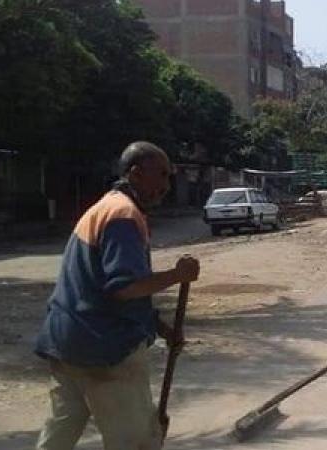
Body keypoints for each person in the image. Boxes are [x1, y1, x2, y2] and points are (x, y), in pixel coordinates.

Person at [34, 142, 200, 450]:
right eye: (161, 176)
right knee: (135, 441)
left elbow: (100, 287)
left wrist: (161, 328)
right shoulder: (124, 215)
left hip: (67, 345)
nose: (166, 186)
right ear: (136, 174)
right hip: (105, 351)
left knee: (57, 438)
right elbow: (123, 287)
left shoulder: (103, 208)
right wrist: (177, 276)